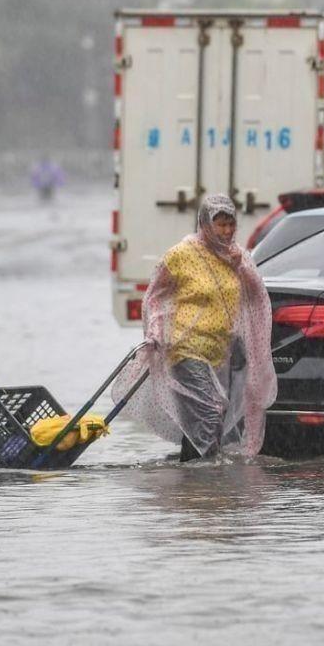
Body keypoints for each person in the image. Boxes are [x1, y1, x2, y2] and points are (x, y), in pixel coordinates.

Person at [112, 194, 277, 461]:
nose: (225, 231)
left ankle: (191, 479)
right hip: (185, 348)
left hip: (218, 352)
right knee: (210, 410)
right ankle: (208, 476)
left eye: (230, 224)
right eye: (219, 224)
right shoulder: (181, 254)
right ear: (204, 224)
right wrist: (155, 330)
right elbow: (154, 296)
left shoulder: (238, 257)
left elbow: (258, 296)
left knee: (207, 418)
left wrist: (241, 268)